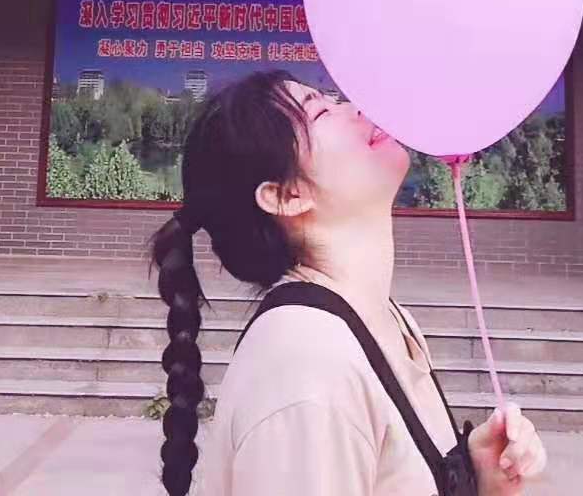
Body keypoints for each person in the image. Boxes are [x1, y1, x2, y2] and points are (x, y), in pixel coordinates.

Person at [150, 70, 547, 496]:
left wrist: (481, 479)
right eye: (322, 112)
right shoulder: (307, 368)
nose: (357, 108)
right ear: (286, 196)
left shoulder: (386, 318)